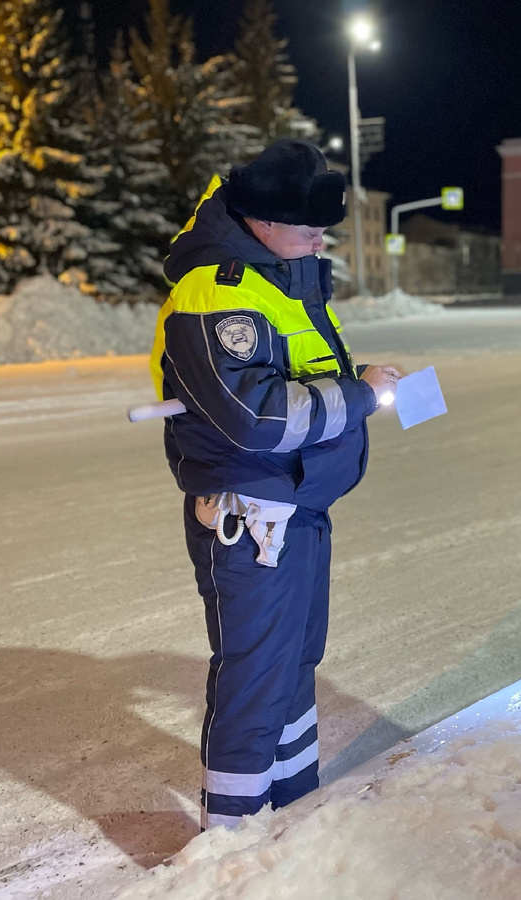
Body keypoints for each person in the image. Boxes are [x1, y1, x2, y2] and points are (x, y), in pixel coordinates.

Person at [149, 139, 401, 830]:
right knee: (257, 676)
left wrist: (357, 387)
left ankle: (292, 807)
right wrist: (359, 394)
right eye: (310, 226)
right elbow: (256, 414)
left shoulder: (286, 279)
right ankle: (230, 839)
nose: (322, 239)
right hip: (253, 514)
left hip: (297, 506)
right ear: (263, 219)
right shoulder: (218, 290)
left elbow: (307, 378)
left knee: (294, 665)